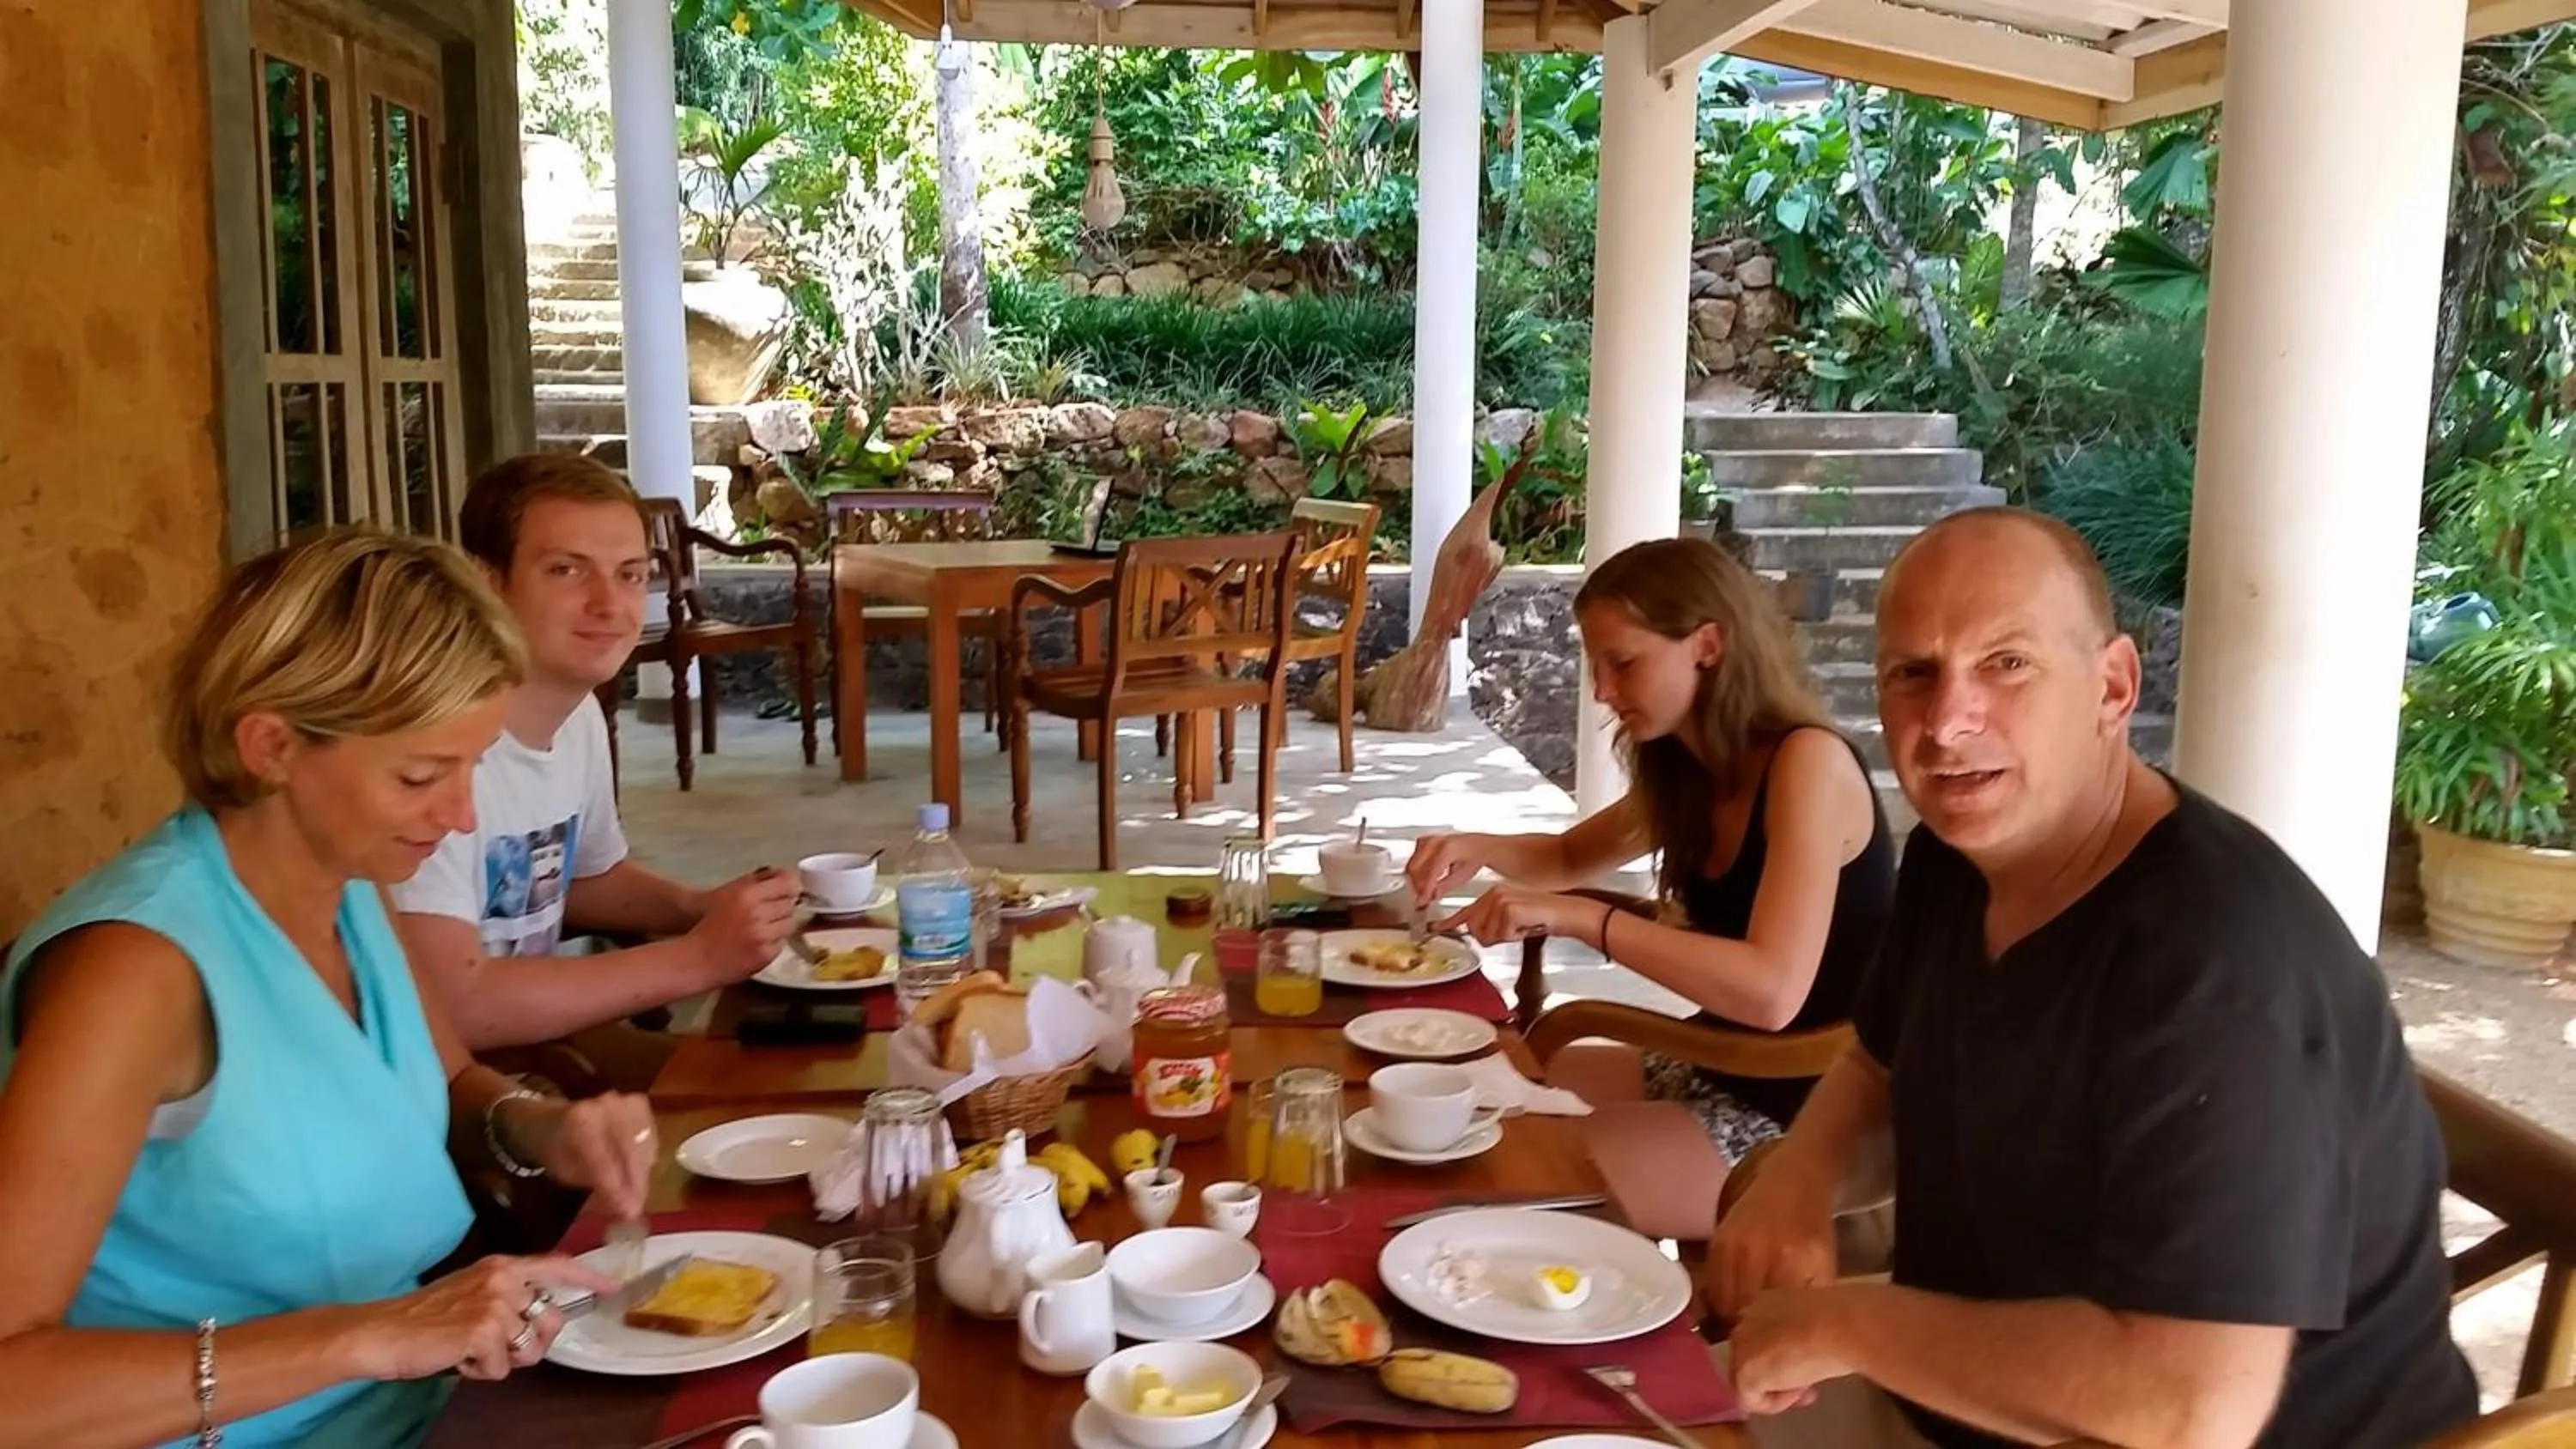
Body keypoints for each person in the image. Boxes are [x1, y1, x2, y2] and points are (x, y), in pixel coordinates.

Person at [1712, 507, 2476, 1448]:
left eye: (2008, 663)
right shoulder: (1960, 858)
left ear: (2114, 686)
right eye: (1914, 672)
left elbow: (2190, 1408)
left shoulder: (2220, 964)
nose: (1948, 721)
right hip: (1965, 1399)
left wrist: (1847, 1325)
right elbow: (1879, 1063)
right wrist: (1801, 1173)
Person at [0, 530, 657, 1449]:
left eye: (476, 765)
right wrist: (367, 1334)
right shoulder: (134, 971)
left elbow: (445, 1081)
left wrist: (542, 1126)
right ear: (270, 745)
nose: (462, 814)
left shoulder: (347, 884)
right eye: (423, 774)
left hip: (423, 1405)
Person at [1409, 536, 1895, 1160]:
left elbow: (1771, 992)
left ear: (1708, 646)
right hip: (1719, 1065)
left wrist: (1585, 919)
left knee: (1522, 1157)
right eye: (1596, 666)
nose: (1602, 691)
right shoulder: (1689, 765)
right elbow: (1565, 859)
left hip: (1812, 1113)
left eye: (1624, 664)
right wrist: (1472, 843)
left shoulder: (1807, 764)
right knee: (1464, 1086)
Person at [391, 454, 799, 1067]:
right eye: (566, 571)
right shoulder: (423, 755)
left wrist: (700, 908)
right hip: (451, 1082)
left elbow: (580, 877)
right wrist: (698, 957)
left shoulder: (576, 715)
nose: (610, 604)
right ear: (486, 581)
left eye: (631, 575)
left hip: (541, 1041)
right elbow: (457, 1005)